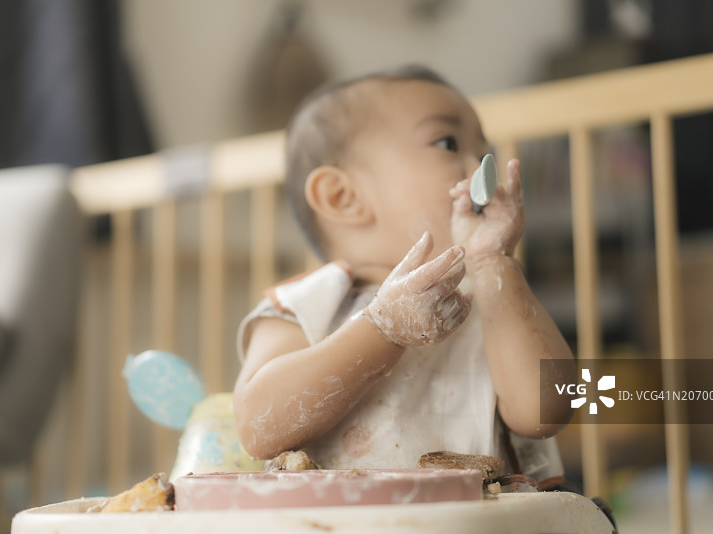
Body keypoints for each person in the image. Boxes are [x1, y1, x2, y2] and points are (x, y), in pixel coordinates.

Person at [233, 65, 574, 487]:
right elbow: (259, 427)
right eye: (448, 143)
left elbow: (548, 410)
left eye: (486, 151)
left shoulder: (489, 298)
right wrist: (382, 329)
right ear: (344, 197)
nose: (481, 167)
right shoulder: (306, 303)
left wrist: (494, 265)